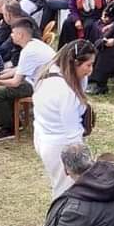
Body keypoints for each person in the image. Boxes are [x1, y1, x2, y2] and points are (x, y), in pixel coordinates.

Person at [34, 41, 96, 198]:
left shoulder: (47, 74)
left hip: (44, 138)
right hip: (60, 145)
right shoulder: (65, 92)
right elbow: (72, 133)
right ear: (75, 63)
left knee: (60, 187)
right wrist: (84, 159)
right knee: (66, 192)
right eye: (88, 65)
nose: (91, 70)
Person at [0, 19, 53, 141]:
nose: (11, 35)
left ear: (20, 35)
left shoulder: (28, 51)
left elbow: (16, 82)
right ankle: (0, 114)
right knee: (0, 85)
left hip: (40, 87)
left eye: (13, 33)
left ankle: (9, 128)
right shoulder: (34, 43)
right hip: (41, 81)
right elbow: (19, 69)